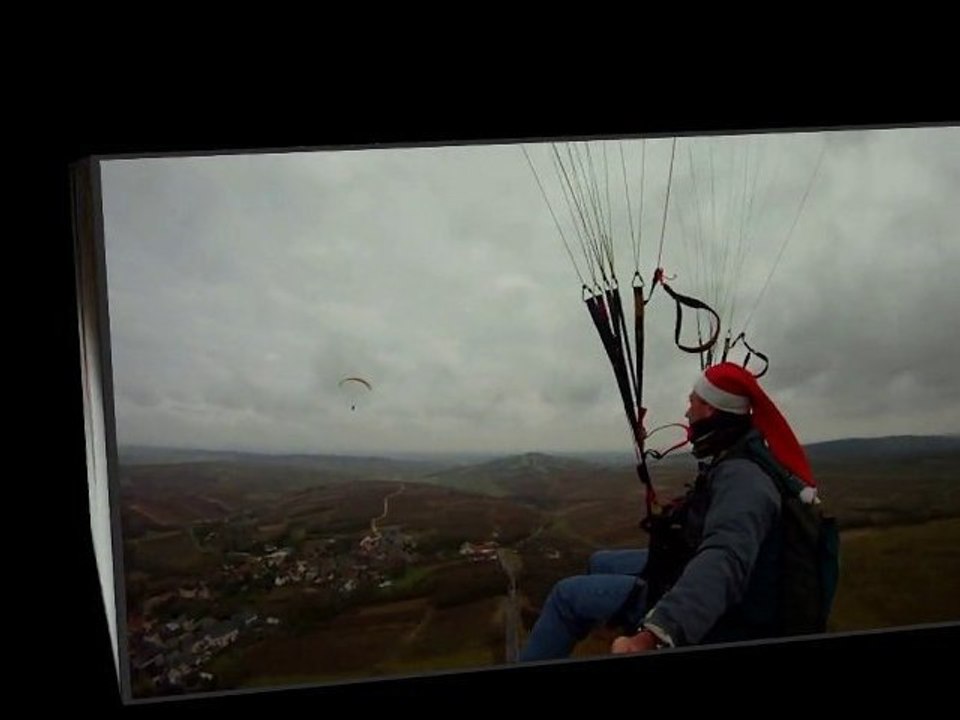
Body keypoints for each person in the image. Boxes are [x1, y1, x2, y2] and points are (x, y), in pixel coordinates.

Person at [518, 361, 818, 660]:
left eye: (692, 402)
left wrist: (656, 633)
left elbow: (724, 559)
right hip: (695, 566)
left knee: (564, 596)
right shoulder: (733, 457)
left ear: (711, 409)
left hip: (729, 616)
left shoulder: (744, 479)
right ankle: (613, 619)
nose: (687, 412)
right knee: (600, 561)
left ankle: (636, 620)